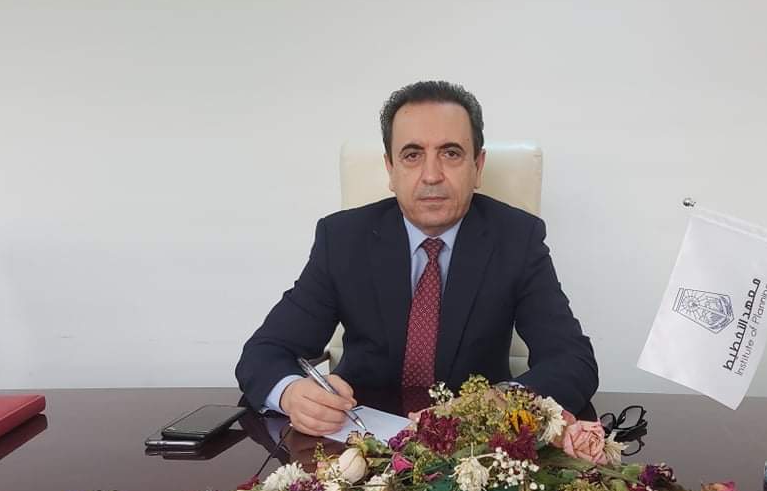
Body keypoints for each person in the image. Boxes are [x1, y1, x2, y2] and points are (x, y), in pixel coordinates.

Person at [236, 80, 597, 435]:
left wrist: (494, 405)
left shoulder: (516, 237)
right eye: (412, 155)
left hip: (474, 445)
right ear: (391, 170)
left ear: (478, 166)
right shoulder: (342, 239)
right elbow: (265, 352)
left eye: (451, 153)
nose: (432, 175)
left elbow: (572, 360)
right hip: (359, 437)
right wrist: (292, 393)